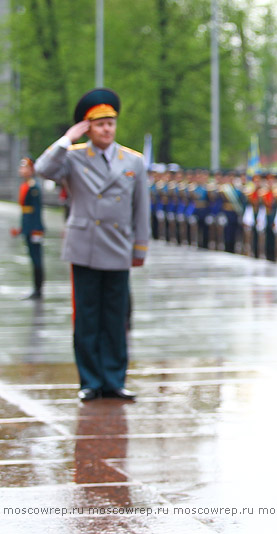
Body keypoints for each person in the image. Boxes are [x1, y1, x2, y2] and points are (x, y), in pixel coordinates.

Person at [34, 88, 149, 402]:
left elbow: (141, 207)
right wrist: (66, 139)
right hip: (84, 245)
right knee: (86, 317)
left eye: (110, 123)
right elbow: (42, 169)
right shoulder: (72, 156)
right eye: (99, 124)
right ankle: (90, 381)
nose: (106, 129)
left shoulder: (133, 161)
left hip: (118, 246)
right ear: (88, 127)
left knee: (116, 317)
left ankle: (114, 380)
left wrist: (140, 248)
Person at [10, 157, 45, 300]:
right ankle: (36, 288)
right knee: (33, 258)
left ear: (31, 170)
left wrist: (36, 230)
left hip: (34, 229)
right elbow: (26, 211)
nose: (21, 170)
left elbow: (36, 211)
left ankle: (38, 290)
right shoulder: (27, 185)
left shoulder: (34, 187)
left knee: (37, 259)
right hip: (28, 227)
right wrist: (21, 228)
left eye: (24, 167)